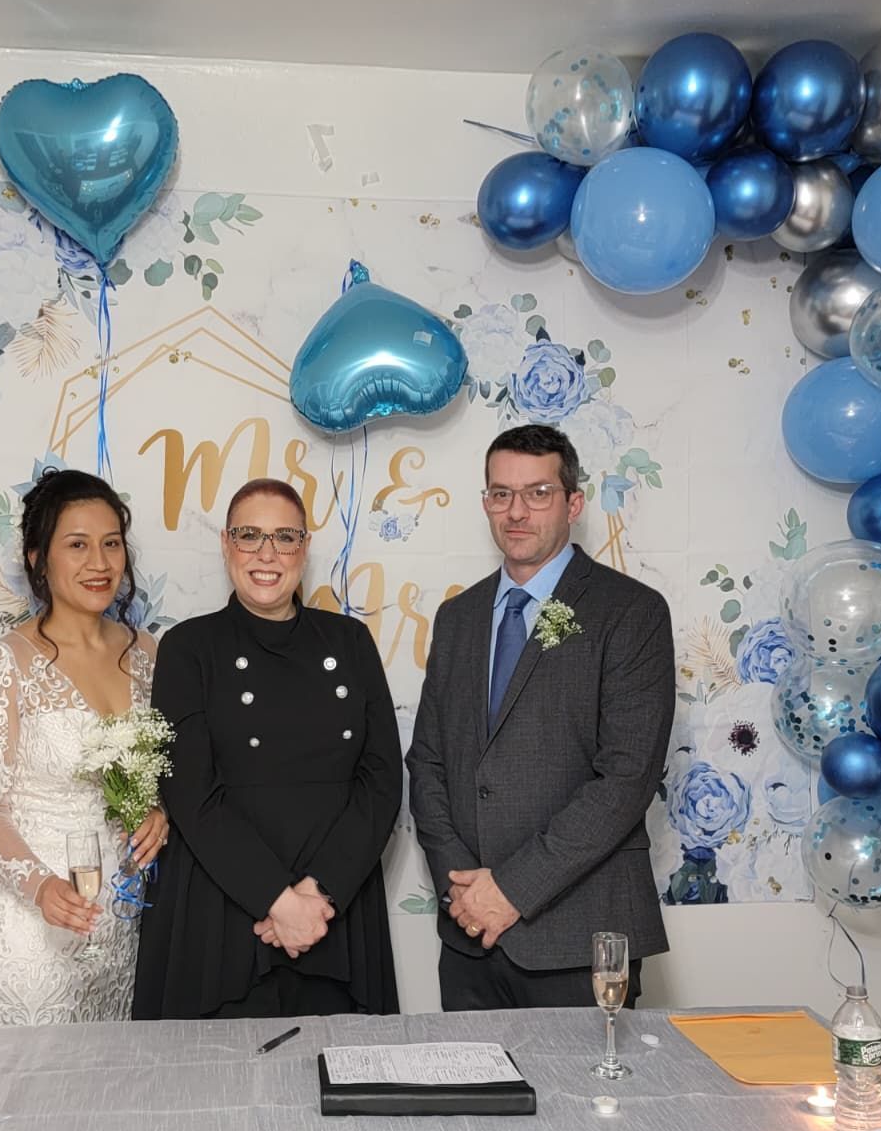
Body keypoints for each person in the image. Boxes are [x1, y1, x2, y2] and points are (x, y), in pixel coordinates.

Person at [407, 424, 675, 1010]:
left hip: (579, 938)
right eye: (501, 494)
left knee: (591, 1102)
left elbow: (625, 781)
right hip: (470, 939)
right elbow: (428, 761)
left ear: (573, 503)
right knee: (472, 1101)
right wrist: (464, 890)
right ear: (485, 503)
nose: (516, 511)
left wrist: (510, 891)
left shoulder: (631, 613)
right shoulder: (458, 616)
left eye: (538, 493)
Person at [134, 478, 401, 1019]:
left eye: (284, 537)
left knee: (341, 1086)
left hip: (335, 910)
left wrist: (317, 896)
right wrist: (280, 902)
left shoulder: (349, 642)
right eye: (250, 535)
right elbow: (190, 792)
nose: (266, 554)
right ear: (226, 544)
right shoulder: (189, 647)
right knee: (218, 1090)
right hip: (221, 909)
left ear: (304, 547)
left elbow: (381, 780)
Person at [0, 469, 169, 1025]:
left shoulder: (149, 652)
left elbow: (166, 771)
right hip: (37, 929)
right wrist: (41, 887)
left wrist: (160, 811)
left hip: (123, 929)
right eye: (77, 545)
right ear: (37, 558)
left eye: (111, 544)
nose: (99, 564)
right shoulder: (3, 663)